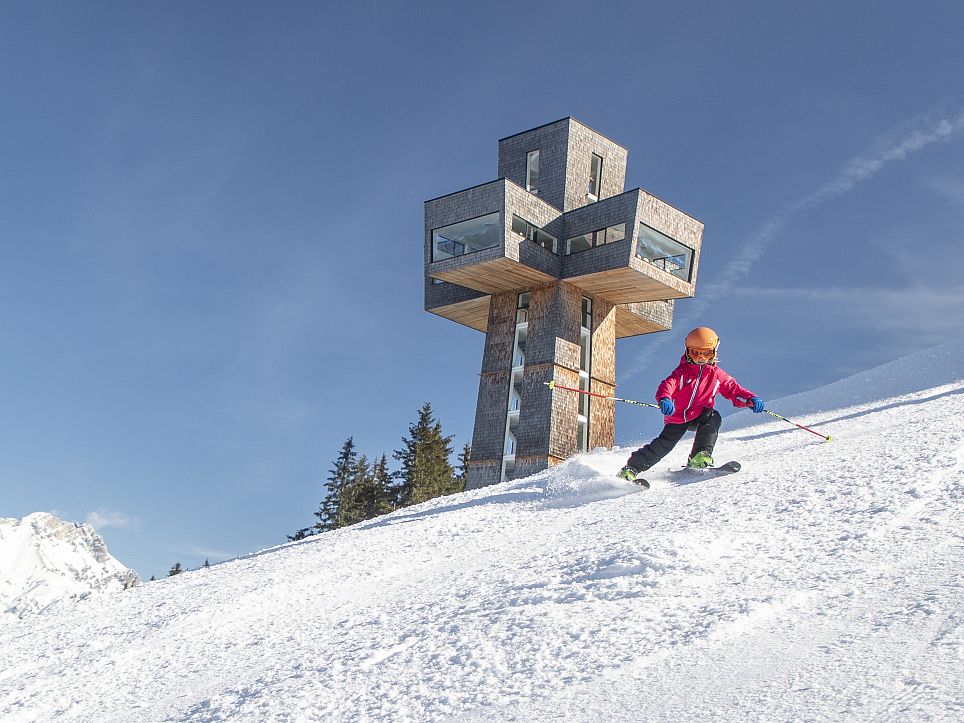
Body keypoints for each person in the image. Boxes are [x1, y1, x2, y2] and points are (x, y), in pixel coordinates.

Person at [617, 326, 765, 482]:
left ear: (713, 352)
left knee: (713, 417)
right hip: (678, 417)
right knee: (664, 445)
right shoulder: (682, 372)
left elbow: (734, 390)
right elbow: (668, 385)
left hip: (701, 414)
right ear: (688, 352)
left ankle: (699, 456)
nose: (700, 357)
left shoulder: (717, 375)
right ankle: (631, 469)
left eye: (706, 353)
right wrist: (665, 399)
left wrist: (751, 399)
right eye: (695, 352)